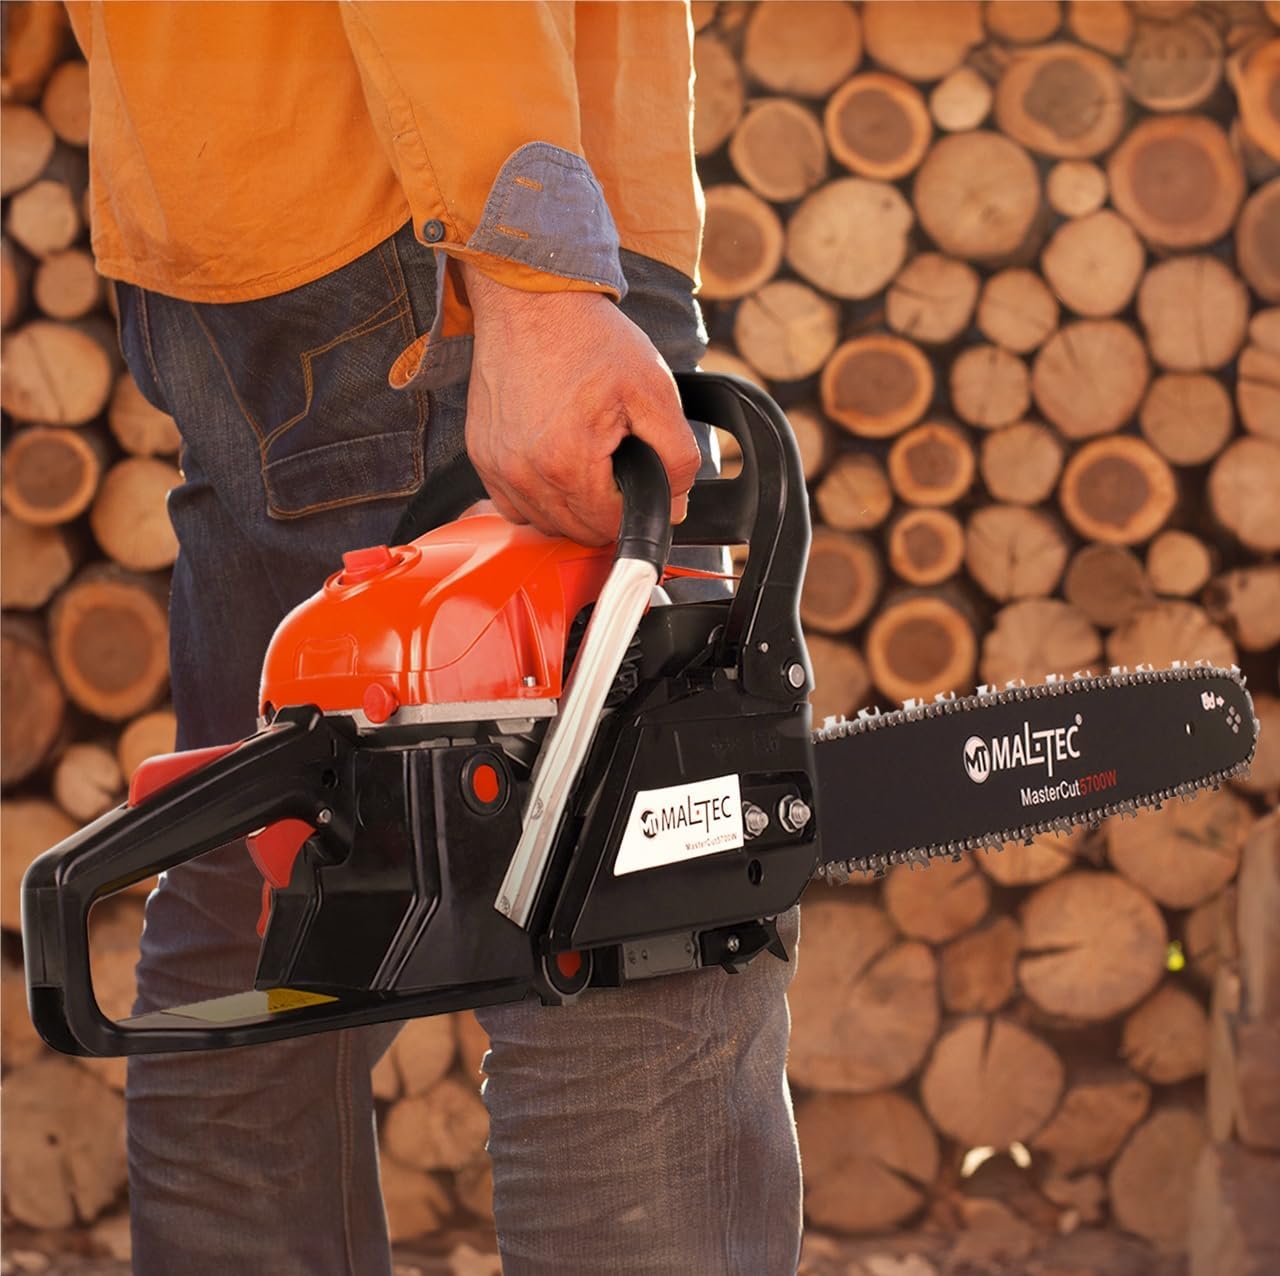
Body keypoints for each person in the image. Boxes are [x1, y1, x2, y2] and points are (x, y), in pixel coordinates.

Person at [65, 4, 802, 1272]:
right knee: (641, 900)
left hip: (242, 208)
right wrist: (527, 256)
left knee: (271, 881)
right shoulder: (505, 236)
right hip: (440, 221)